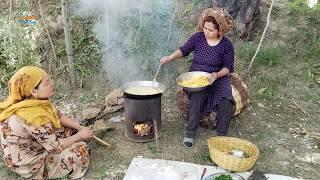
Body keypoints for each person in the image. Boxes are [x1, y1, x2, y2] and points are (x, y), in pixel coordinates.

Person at [0, 66, 93, 179]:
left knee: (69, 128)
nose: (52, 84)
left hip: (33, 145)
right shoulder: (34, 116)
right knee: (80, 150)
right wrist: (80, 136)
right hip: (30, 164)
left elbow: (58, 116)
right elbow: (56, 147)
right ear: (33, 91)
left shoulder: (31, 100)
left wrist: (79, 127)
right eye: (47, 83)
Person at [160, 8, 235, 148]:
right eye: (205, 28)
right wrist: (169, 58)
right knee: (197, 95)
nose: (206, 31)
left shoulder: (226, 45)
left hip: (217, 78)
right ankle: (190, 132)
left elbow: (228, 67)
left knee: (226, 98)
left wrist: (216, 75)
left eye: (210, 30)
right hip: (197, 77)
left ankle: (221, 136)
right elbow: (184, 50)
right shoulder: (198, 38)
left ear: (220, 30)